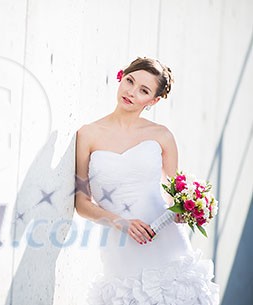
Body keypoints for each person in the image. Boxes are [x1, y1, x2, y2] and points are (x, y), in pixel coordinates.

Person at [74, 57, 220, 304]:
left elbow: (176, 194)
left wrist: (187, 210)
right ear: (121, 77)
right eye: (129, 81)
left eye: (143, 90)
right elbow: (81, 203)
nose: (131, 92)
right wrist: (121, 222)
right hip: (120, 245)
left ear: (153, 100)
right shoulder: (87, 134)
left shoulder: (161, 136)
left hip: (165, 241)